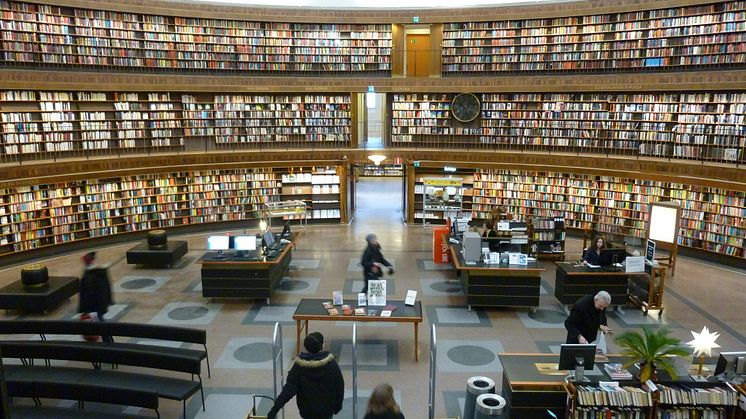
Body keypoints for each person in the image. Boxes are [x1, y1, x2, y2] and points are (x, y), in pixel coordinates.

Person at [267, 332, 344, 419]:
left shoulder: (299, 366)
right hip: (326, 410)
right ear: (321, 345)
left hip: (307, 411)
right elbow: (339, 386)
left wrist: (274, 410)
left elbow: (288, 390)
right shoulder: (331, 364)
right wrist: (338, 406)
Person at [78, 251, 113, 342]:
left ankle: (107, 342)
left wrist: (85, 310)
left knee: (98, 324)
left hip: (93, 307)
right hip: (100, 305)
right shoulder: (100, 273)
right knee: (100, 321)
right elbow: (106, 289)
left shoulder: (88, 276)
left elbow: (86, 295)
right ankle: (108, 340)